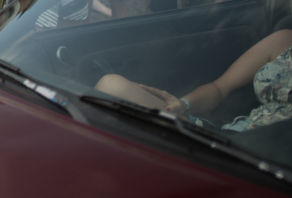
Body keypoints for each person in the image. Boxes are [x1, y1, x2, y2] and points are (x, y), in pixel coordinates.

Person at [95, 17, 292, 133]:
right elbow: (219, 88)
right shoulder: (284, 40)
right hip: (233, 138)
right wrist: (183, 104)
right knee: (111, 86)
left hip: (270, 159)